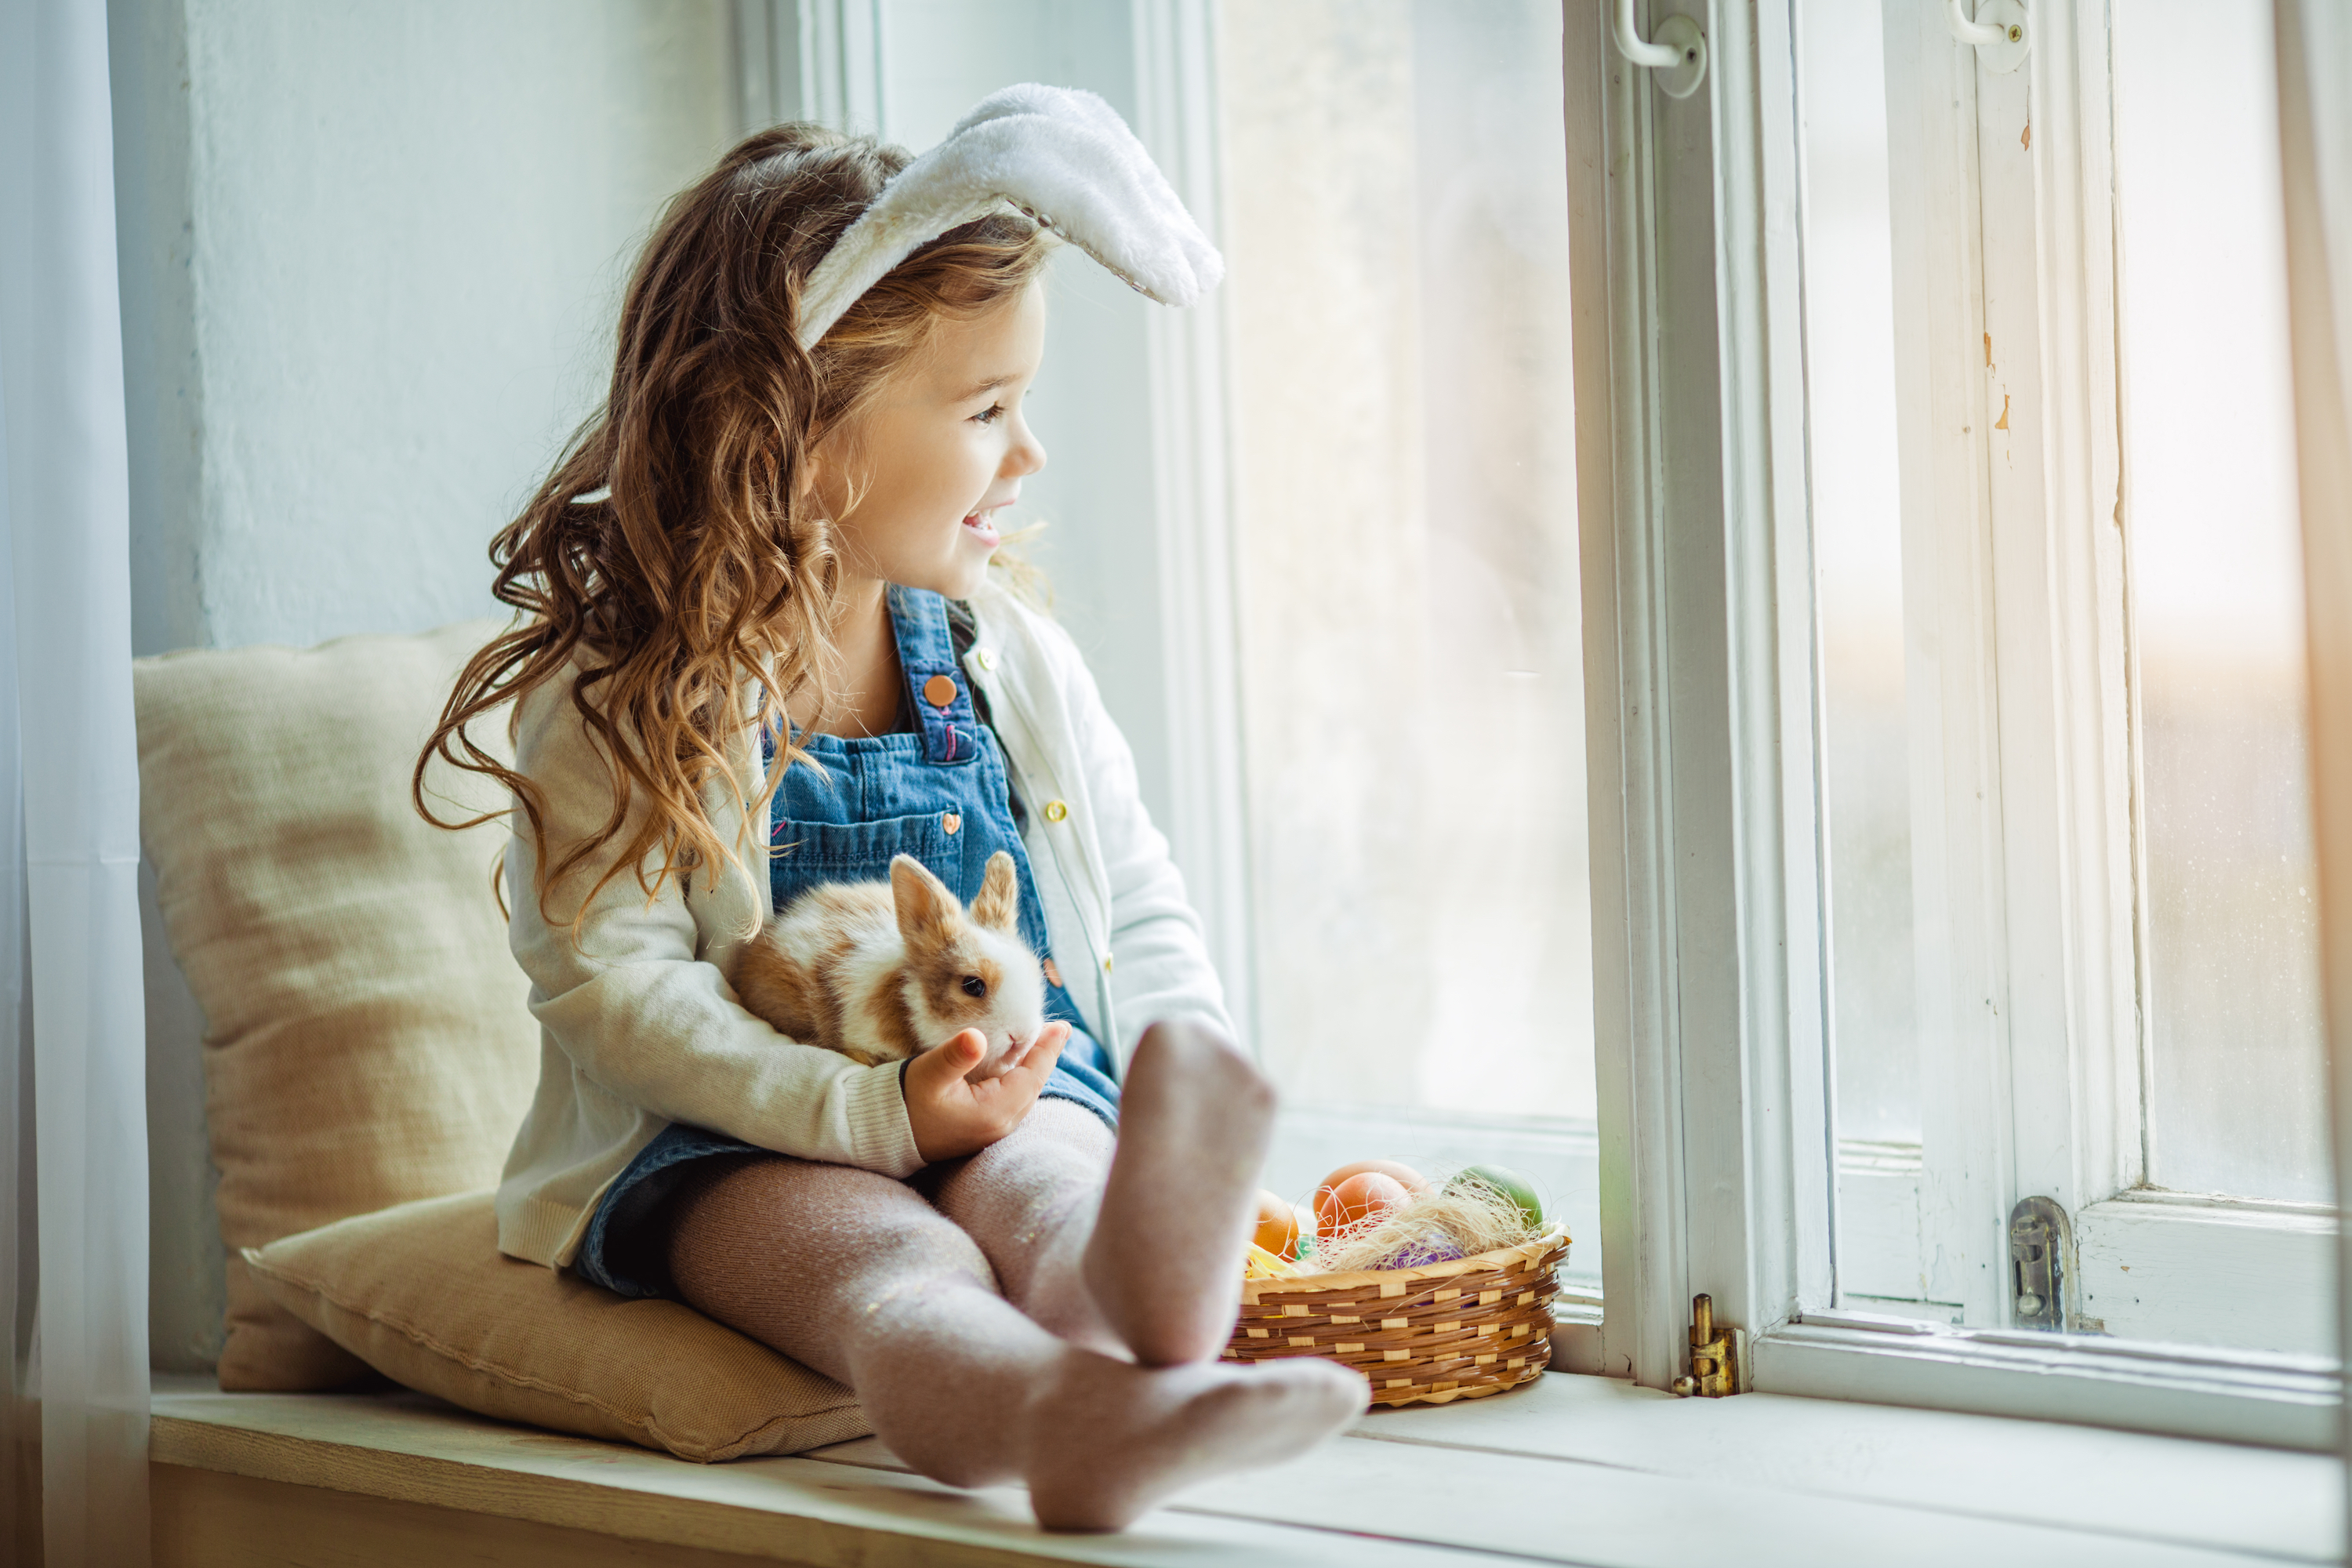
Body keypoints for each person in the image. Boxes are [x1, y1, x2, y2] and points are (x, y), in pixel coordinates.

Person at [417, 93, 1367, 1533]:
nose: (1028, 454)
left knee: (1045, 1180)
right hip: (735, 1138)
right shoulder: (628, 697)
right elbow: (612, 990)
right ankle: (1060, 1422)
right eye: (988, 411)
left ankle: (1145, 1284)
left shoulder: (1008, 656)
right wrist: (864, 1113)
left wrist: (1182, 1063)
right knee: (877, 1264)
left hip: (1009, 1089)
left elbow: (1139, 892)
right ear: (796, 438)